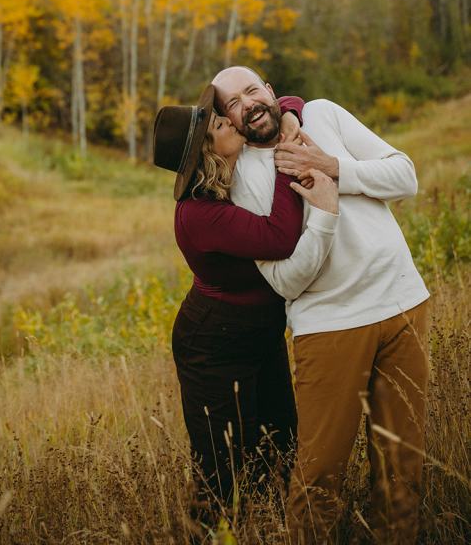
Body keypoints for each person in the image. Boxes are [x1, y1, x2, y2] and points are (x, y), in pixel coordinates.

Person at [211, 66, 429, 545]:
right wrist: (324, 212)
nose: (247, 104)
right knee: (319, 477)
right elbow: (286, 283)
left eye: (252, 91)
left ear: (270, 91)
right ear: (229, 119)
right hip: (330, 326)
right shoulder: (241, 178)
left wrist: (334, 168)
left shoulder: (324, 115)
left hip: (403, 304)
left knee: (402, 469)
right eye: (232, 103)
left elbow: (405, 176)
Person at [153, 84, 340, 520]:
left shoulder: (227, 177)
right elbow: (279, 237)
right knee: (221, 465)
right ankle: (213, 533)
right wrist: (287, 157)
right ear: (206, 152)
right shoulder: (199, 214)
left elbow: (285, 102)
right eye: (216, 124)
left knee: (280, 443)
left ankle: (270, 527)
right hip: (214, 343)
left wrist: (288, 118)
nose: (227, 119)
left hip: (260, 330)